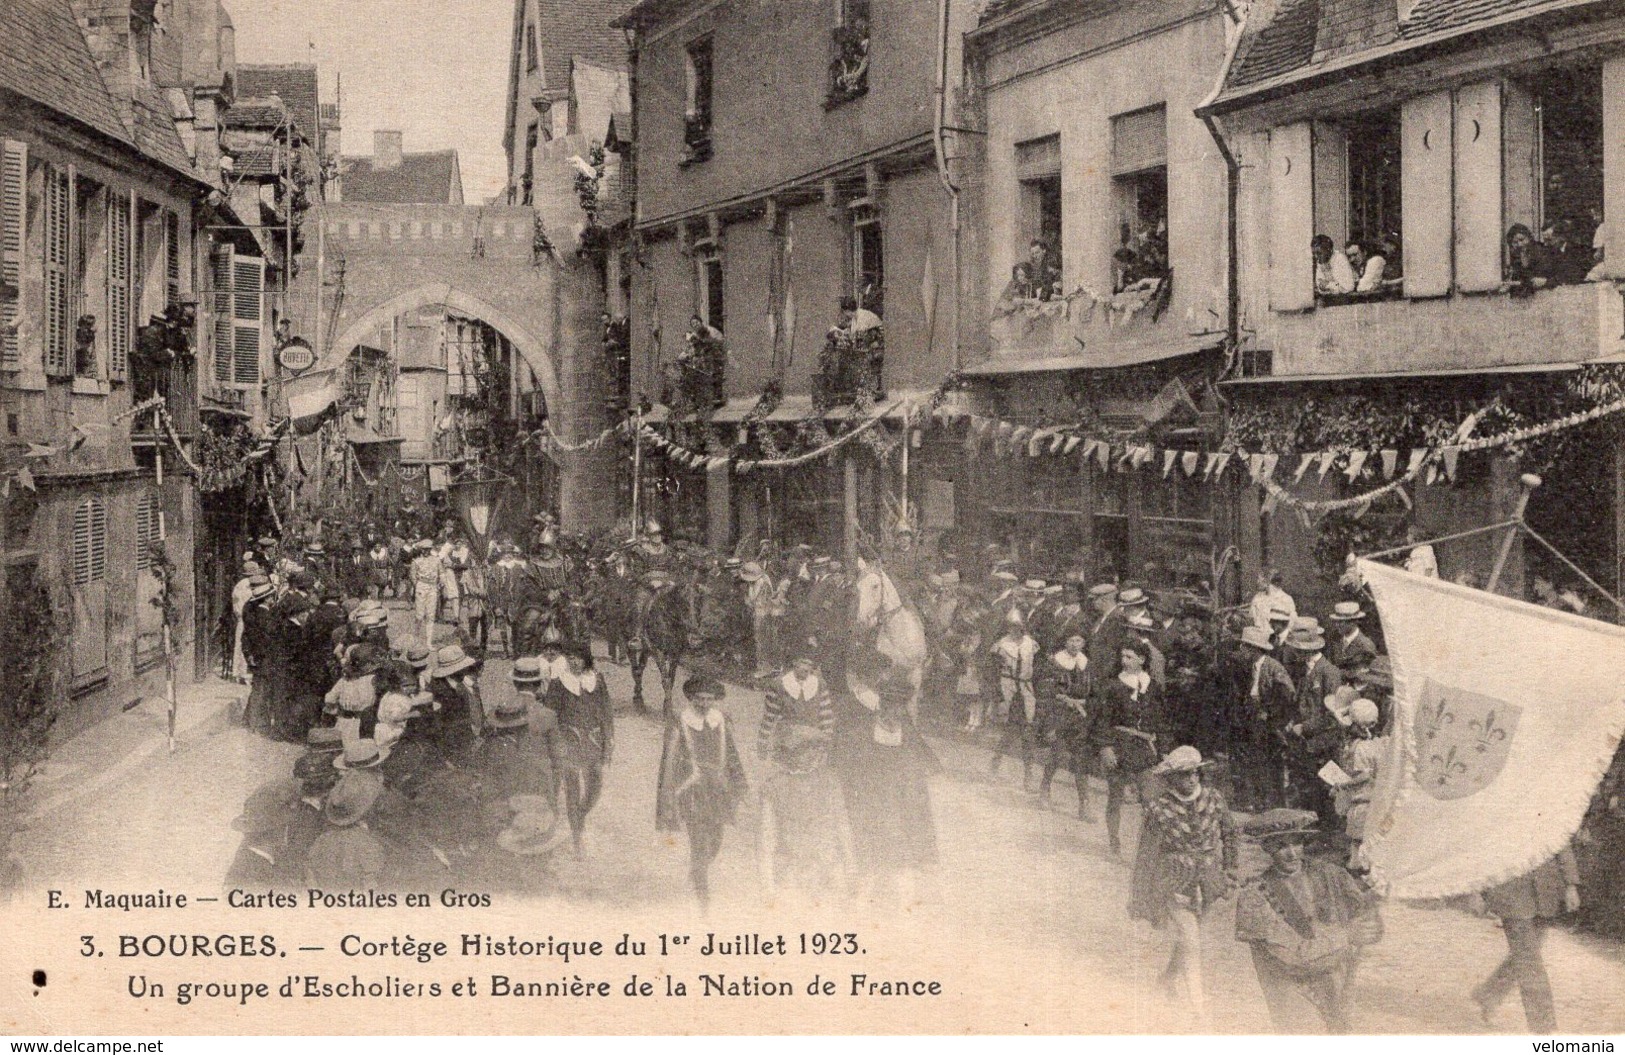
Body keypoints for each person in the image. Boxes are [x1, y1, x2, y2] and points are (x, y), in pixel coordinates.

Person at [1234, 808, 1383, 1033]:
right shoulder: (1254, 895)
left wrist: (1375, 906)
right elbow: (1294, 958)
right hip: (1293, 998)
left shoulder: (1331, 875)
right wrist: (1347, 935)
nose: (1292, 853)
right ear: (1267, 848)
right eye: (1281, 846)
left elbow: (1368, 922)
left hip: (1338, 991)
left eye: (1296, 843)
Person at [1129, 746, 1237, 1026]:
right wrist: (1141, 894)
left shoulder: (1214, 798)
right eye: (1183, 775)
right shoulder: (1159, 808)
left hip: (1209, 879)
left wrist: (1231, 867)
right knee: (1190, 939)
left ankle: (1167, 979)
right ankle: (1198, 1007)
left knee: (1191, 937)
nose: (1190, 780)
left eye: (1194, 773)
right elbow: (1147, 854)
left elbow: (1230, 832)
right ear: (1170, 779)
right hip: (1174, 878)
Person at [657, 675, 749, 908]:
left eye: (709, 699)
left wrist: (741, 784)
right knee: (699, 842)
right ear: (691, 698)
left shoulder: (720, 721)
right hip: (692, 790)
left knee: (716, 841)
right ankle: (702, 897)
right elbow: (669, 761)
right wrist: (671, 792)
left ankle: (697, 872)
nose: (704, 704)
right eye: (699, 699)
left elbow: (732, 754)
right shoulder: (681, 722)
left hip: (717, 789)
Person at [1472, 846, 1582, 1032]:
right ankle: (1544, 1030)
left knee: (1526, 955)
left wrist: (1571, 885)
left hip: (1545, 892)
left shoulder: (1552, 815)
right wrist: (1475, 891)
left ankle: (1489, 994)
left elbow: (1562, 841)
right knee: (1530, 963)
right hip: (1510, 892)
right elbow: (1484, 846)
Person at [757, 651, 840, 892]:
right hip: (788, 742)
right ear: (792, 663)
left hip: (812, 743)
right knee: (786, 788)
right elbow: (770, 717)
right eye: (800, 662)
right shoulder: (778, 685)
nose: (804, 667)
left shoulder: (819, 685)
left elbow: (826, 715)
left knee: (812, 786)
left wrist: (827, 740)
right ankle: (783, 833)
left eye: (809, 664)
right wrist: (763, 743)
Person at [1093, 638, 1169, 856]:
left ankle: (1149, 848)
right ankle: (1114, 842)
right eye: (1122, 656)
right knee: (1115, 797)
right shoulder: (1113, 685)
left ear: (1142, 660)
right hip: (1120, 746)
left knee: (1151, 800)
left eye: (1130, 657)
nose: (1124, 661)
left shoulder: (1152, 686)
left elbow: (1161, 719)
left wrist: (1163, 748)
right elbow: (1102, 719)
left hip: (1145, 748)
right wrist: (1105, 747)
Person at [543, 645, 614, 857]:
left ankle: (579, 816)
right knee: (572, 791)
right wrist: (556, 744)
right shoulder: (558, 683)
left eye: (579, 658)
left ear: (586, 660)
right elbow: (550, 715)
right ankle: (577, 837)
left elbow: (606, 711)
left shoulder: (597, 680)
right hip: (569, 744)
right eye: (570, 658)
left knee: (595, 789)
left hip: (593, 742)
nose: (574, 662)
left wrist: (609, 738)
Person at [1036, 629, 1096, 821]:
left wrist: (1087, 705)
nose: (1075, 644)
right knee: (1057, 755)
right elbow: (1046, 690)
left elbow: (1093, 692)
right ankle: (1044, 791)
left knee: (1081, 760)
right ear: (1065, 642)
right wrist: (1063, 702)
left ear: (1083, 643)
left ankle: (1084, 805)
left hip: (1080, 717)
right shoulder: (1054, 662)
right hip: (1059, 714)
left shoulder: (1086, 664)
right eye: (1071, 640)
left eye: (1079, 640)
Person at [1235, 625, 1295, 811]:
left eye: (1245, 647)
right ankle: (1260, 801)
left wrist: (1269, 713)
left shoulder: (1274, 668)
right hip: (1254, 721)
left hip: (1270, 724)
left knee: (1271, 765)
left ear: (1254, 649)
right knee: (1255, 762)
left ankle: (1275, 804)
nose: (1242, 650)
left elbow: (1287, 697)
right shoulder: (1249, 667)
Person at [989, 610, 1041, 788]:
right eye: (1012, 628)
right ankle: (995, 763)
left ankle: (1028, 774)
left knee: (1027, 733)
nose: (1016, 631)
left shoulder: (1031, 645)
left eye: (1019, 628)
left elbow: (1037, 667)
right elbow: (993, 672)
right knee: (1009, 732)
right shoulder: (1001, 645)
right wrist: (999, 695)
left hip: (1025, 691)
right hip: (1008, 689)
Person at [1326, 601, 1377, 679]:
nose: (1337, 625)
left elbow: (1359, 676)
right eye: (1336, 621)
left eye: (1341, 622)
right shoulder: (1335, 639)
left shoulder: (1366, 646)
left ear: (1354, 622)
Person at [410, 540, 443, 652]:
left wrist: (441, 582)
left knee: (430, 615)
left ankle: (429, 642)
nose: (426, 551)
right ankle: (416, 640)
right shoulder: (416, 561)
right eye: (424, 549)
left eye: (428, 549)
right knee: (419, 615)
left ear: (430, 550)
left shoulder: (436, 560)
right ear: (421, 550)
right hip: (421, 586)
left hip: (432, 587)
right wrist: (418, 586)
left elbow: (441, 573)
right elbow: (413, 577)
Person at [1507, 224, 1555, 296]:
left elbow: (1559, 276)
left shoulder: (1542, 251)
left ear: (1529, 238)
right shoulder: (1516, 256)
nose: (1519, 244)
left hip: (1546, 294)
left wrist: (1546, 281)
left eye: (1522, 240)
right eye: (1515, 242)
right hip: (1527, 298)